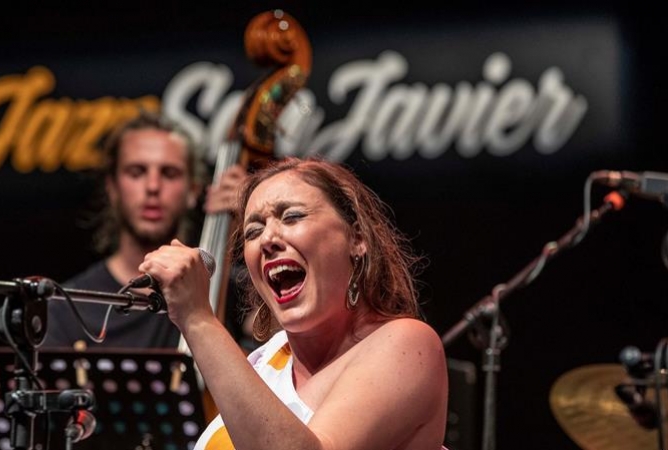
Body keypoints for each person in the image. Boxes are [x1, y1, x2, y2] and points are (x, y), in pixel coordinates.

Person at [139, 157, 449, 449]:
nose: (268, 239)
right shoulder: (266, 360)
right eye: (253, 231)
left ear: (357, 238)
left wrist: (197, 319)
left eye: (292, 216)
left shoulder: (408, 344)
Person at [43, 111, 249, 349]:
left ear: (193, 190)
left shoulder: (230, 292)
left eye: (169, 173)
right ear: (112, 188)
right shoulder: (67, 307)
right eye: (137, 172)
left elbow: (287, 344)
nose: (153, 186)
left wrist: (255, 219)